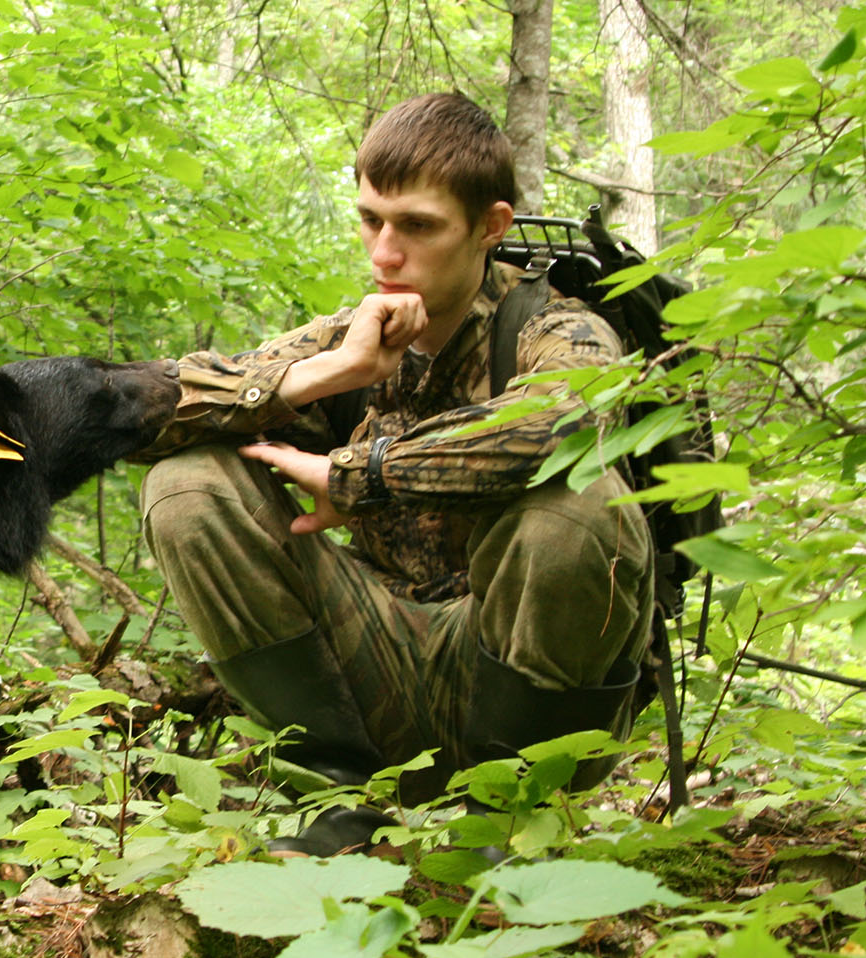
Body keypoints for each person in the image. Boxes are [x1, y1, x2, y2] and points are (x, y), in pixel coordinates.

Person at [137, 92, 656, 856]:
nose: (384, 252)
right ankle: (335, 801)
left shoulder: (558, 326)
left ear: (491, 227)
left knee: (580, 499)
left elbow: (560, 422)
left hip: (519, 678)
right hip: (371, 664)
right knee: (186, 485)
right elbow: (143, 412)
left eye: (417, 226)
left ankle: (504, 821)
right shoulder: (355, 337)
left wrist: (360, 474)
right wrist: (313, 378)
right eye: (370, 219)